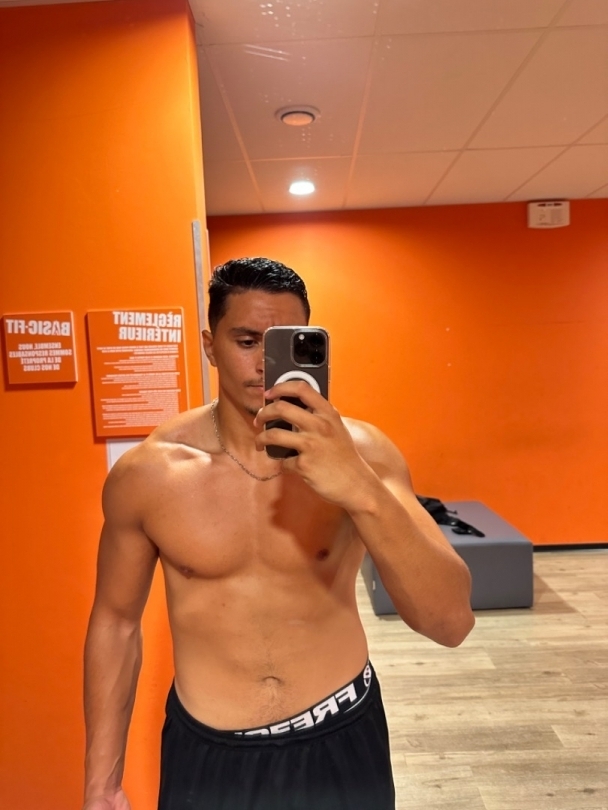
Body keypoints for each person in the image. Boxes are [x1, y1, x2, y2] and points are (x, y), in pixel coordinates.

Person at [83, 257, 475, 810]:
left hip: (341, 736)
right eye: (247, 342)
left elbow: (451, 622)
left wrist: (358, 487)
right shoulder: (150, 475)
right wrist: (101, 785)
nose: (265, 365)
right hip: (209, 756)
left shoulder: (364, 454)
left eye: (284, 344)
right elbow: (116, 623)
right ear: (209, 346)